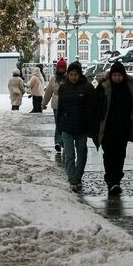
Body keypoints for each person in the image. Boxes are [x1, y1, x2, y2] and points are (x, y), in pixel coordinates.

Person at [95, 61, 133, 196]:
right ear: (111, 76)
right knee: (109, 155)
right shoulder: (103, 88)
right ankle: (111, 180)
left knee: (120, 156)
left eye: (119, 75)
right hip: (107, 129)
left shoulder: (129, 88)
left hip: (123, 128)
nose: (117, 78)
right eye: (115, 75)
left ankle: (116, 180)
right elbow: (96, 107)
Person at [57, 60, 96, 191]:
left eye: (76, 74)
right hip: (67, 126)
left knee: (82, 152)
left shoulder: (87, 88)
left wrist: (91, 126)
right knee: (69, 154)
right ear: (68, 75)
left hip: (82, 126)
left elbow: (92, 108)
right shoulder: (63, 88)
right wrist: (59, 127)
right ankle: (72, 178)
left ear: (80, 75)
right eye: (71, 74)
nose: (73, 77)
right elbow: (60, 108)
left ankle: (78, 176)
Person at [44, 58, 68, 152]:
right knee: (58, 123)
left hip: (67, 104)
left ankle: (64, 142)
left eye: (63, 68)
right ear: (57, 68)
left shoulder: (68, 77)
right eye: (60, 68)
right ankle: (58, 142)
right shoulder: (53, 78)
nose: (61, 70)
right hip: (56, 104)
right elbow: (49, 91)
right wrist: (44, 103)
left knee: (65, 123)